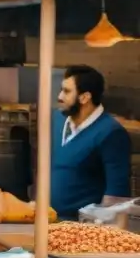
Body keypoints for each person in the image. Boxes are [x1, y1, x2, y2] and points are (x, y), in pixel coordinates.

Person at [52, 65, 132, 219]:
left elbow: (117, 195)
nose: (60, 96)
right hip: (48, 220)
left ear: (85, 97)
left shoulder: (111, 132)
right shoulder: (57, 120)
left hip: (82, 228)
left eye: (67, 92)